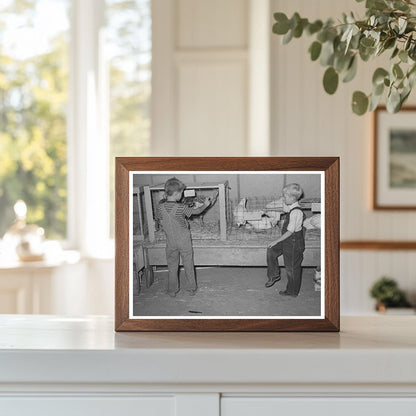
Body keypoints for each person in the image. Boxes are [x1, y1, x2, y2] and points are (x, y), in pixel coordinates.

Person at [156, 178, 211, 297]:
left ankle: (172, 290)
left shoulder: (160, 207)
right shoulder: (181, 207)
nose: (181, 195)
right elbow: (196, 212)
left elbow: (160, 221)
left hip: (170, 241)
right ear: (176, 194)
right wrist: (205, 205)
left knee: (172, 266)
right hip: (184, 240)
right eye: (181, 193)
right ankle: (191, 289)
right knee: (188, 264)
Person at [265, 183, 305, 297]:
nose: (283, 198)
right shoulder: (291, 207)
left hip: (293, 243)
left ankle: (292, 292)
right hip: (288, 240)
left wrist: (276, 241)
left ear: (292, 198)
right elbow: (284, 207)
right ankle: (274, 275)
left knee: (291, 268)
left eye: (285, 196)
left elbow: (290, 231)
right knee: (271, 250)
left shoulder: (296, 212)